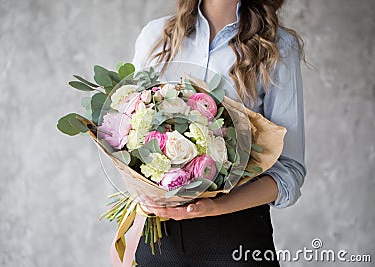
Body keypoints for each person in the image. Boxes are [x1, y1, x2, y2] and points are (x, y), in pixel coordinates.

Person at [131, 0, 306, 266]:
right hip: (158, 240)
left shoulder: (278, 46)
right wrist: (130, 233)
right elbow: (129, 146)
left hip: (236, 241)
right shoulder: (155, 38)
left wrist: (216, 206)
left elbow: (289, 172)